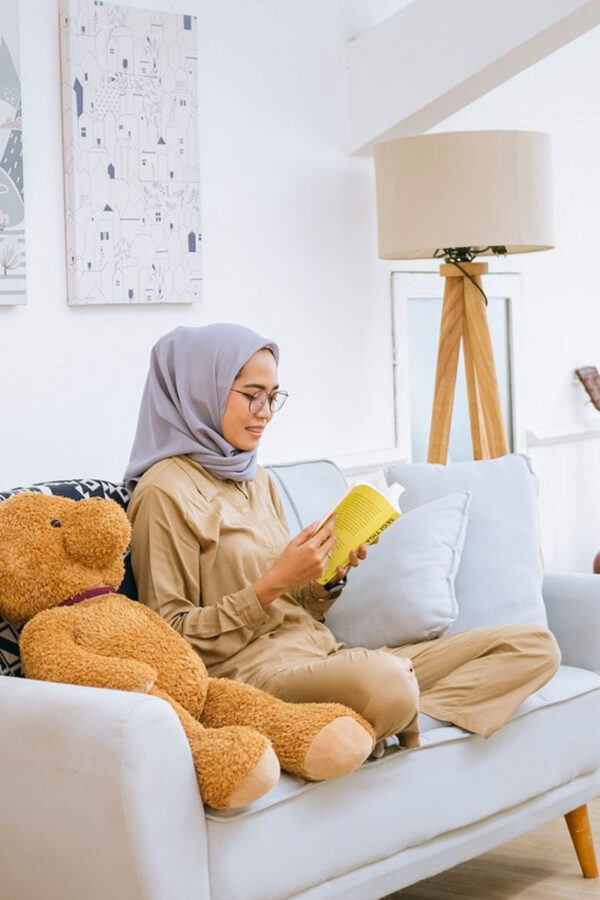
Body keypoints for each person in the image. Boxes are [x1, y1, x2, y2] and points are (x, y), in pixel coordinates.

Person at [125, 323, 560, 751]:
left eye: (273, 398)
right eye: (252, 395)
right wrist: (273, 582)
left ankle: (407, 721)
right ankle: (384, 714)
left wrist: (322, 579)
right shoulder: (164, 492)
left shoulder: (255, 478)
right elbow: (171, 638)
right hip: (255, 677)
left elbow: (301, 614)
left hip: (324, 658)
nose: (266, 412)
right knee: (386, 679)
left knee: (532, 646)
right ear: (200, 388)